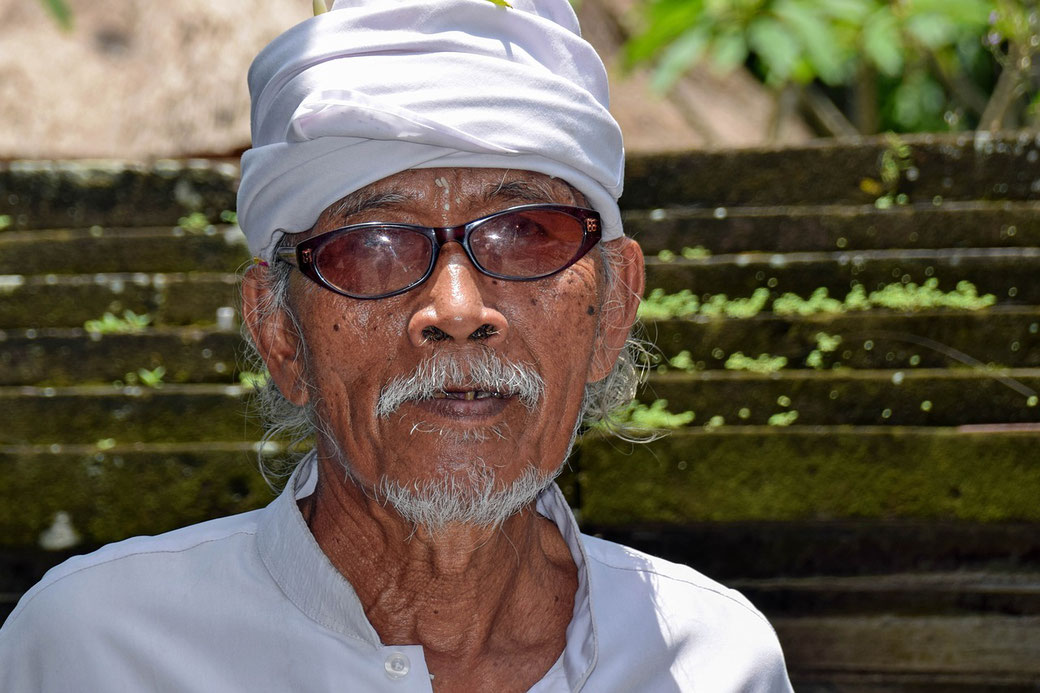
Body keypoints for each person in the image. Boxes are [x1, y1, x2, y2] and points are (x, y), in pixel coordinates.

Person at [0, 0, 793, 690]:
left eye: (524, 234)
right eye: (372, 244)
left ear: (614, 308)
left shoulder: (713, 664)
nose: (455, 308)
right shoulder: (92, 651)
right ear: (279, 331)